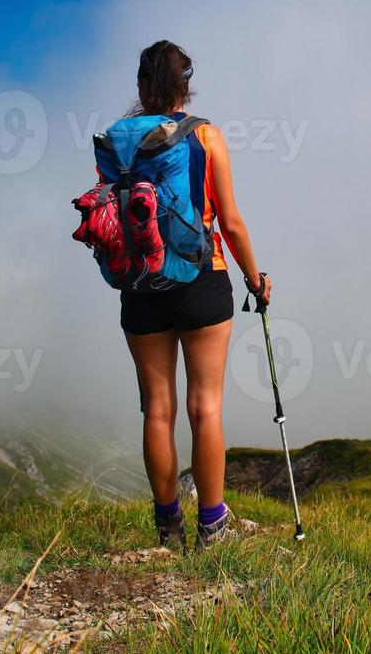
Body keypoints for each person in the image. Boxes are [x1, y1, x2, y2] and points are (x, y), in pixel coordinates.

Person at [117, 40, 273, 552]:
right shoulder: (206, 136)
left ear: (142, 85)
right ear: (186, 84)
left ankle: (167, 528)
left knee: (156, 411)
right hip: (203, 281)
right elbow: (229, 221)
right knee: (205, 408)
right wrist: (255, 279)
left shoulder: (121, 139)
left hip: (141, 285)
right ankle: (212, 526)